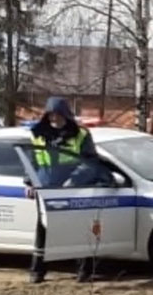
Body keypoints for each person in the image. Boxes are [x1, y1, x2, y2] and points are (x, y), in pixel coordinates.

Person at [26, 97, 99, 284]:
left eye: (57, 114)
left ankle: (84, 272)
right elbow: (32, 160)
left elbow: (90, 162)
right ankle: (37, 272)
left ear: (65, 114)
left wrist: (74, 181)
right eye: (51, 114)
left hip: (73, 189)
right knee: (44, 230)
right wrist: (30, 183)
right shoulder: (38, 133)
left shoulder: (81, 134)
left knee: (79, 229)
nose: (54, 118)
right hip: (46, 187)